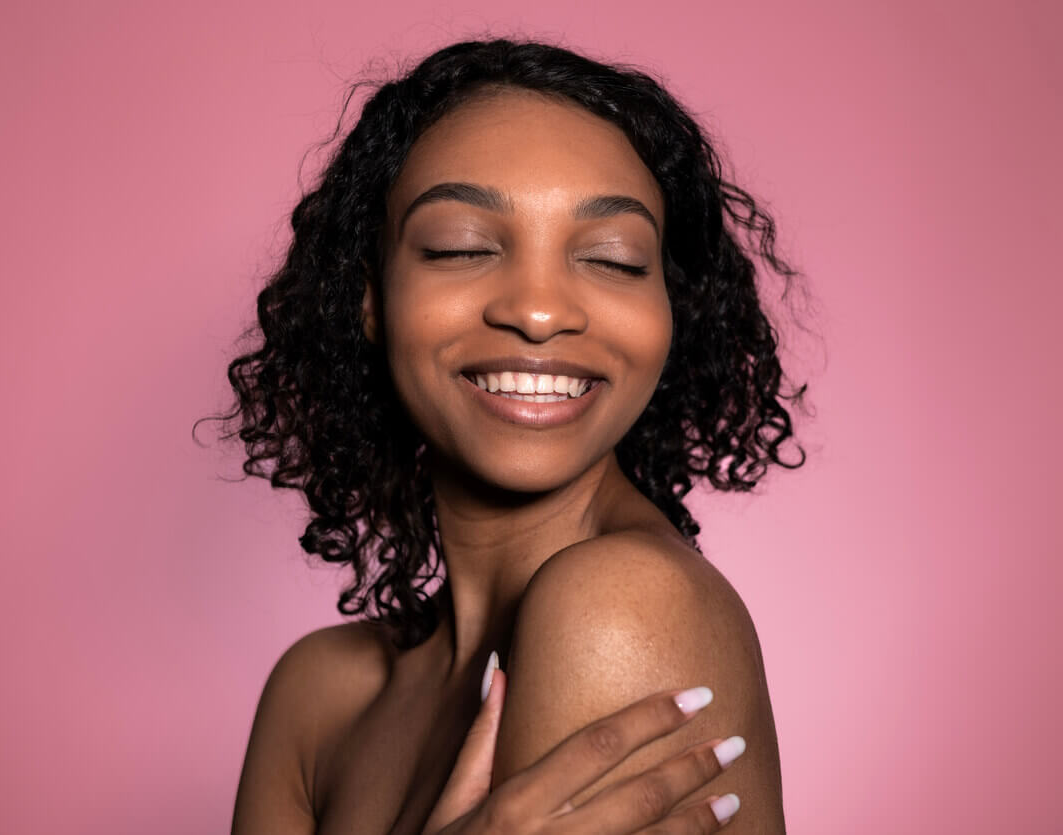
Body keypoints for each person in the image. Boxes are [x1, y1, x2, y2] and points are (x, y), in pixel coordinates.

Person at [216, 37, 807, 834]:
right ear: (370, 298)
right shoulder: (317, 694)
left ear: (670, 312)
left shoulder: (621, 607)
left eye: (614, 258)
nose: (537, 310)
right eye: (460, 247)